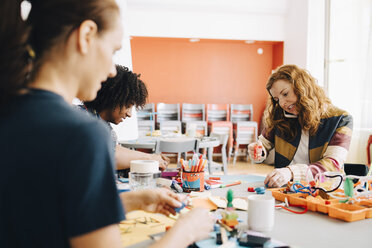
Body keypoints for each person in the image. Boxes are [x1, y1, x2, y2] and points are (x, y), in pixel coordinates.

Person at [0, 1, 213, 248]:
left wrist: (128, 201)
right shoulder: (81, 133)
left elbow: (39, 215)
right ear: (86, 35)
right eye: (113, 51)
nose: (112, 71)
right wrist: (186, 231)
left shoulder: (12, 112)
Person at [248, 64, 353, 188]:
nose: (282, 103)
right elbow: (263, 145)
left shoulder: (341, 119)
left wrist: (291, 172)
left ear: (302, 88)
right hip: (287, 190)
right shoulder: (281, 117)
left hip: (326, 191)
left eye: (285, 94)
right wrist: (258, 150)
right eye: (276, 99)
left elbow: (333, 165)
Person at [82, 64, 170, 172]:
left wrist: (151, 157)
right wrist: (149, 159)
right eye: (128, 106)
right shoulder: (82, 120)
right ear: (113, 99)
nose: (129, 114)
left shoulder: (102, 123)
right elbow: (109, 158)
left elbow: (114, 149)